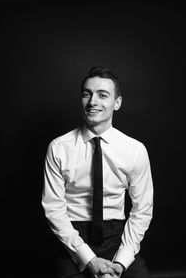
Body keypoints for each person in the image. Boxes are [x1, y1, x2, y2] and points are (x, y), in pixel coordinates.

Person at [42, 66, 153, 278]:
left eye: (103, 95)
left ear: (117, 103)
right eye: (87, 94)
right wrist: (89, 259)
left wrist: (121, 262)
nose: (93, 102)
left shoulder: (135, 150)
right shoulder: (58, 148)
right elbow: (54, 209)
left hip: (118, 237)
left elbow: (142, 209)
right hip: (73, 239)